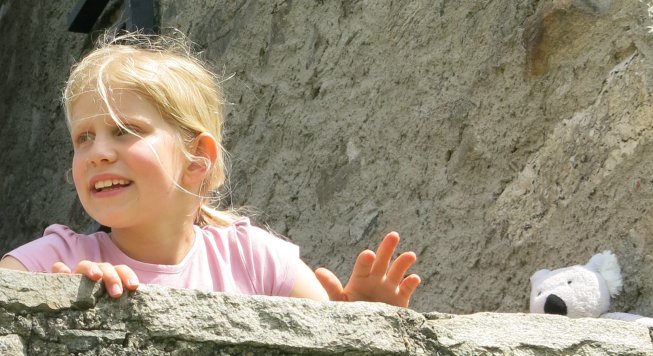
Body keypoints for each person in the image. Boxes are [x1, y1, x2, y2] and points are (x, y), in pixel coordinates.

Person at [0, 31, 420, 308]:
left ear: (197, 157)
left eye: (125, 131)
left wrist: (367, 322)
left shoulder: (255, 259)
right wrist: (52, 298)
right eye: (83, 138)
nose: (97, 153)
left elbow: (328, 337)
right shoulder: (62, 257)